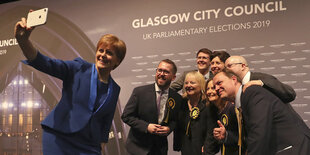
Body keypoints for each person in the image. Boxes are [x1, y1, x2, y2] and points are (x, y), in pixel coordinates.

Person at [14, 16, 126, 155]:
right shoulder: (79, 68)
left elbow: (105, 122)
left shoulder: (114, 89)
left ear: (117, 61)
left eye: (109, 53)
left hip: (89, 145)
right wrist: (23, 41)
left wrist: (101, 146)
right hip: (59, 138)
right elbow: (46, 63)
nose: (103, 55)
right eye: (101, 50)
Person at [213, 70, 310, 155]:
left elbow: (259, 133)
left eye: (219, 83)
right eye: (214, 86)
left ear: (234, 79)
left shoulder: (251, 92)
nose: (216, 88)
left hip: (292, 149)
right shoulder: (242, 102)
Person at [121, 59, 182, 155]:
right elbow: (126, 116)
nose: (161, 74)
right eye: (159, 70)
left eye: (166, 72)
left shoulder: (177, 98)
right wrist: (146, 126)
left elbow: (175, 120)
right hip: (136, 149)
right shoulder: (139, 92)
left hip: (160, 150)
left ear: (173, 77)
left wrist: (169, 128)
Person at [174, 71, 218, 155]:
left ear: (201, 85)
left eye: (192, 83)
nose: (188, 85)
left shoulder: (208, 104)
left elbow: (211, 131)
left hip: (203, 151)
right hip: (185, 149)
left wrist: (208, 149)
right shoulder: (181, 103)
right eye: (186, 83)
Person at [225, 55, 296, 103]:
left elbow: (290, 94)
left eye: (229, 66)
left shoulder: (261, 78)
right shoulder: (238, 87)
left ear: (243, 66)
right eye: (225, 68)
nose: (226, 70)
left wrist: (262, 84)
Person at [206, 79, 244, 155]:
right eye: (207, 89)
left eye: (213, 88)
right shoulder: (214, 111)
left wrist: (226, 135)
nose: (210, 92)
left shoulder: (232, 108)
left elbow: (244, 136)